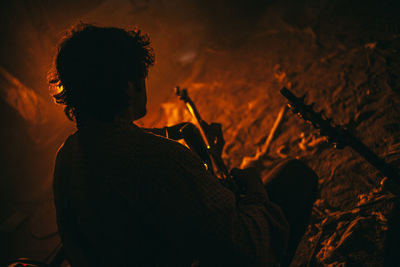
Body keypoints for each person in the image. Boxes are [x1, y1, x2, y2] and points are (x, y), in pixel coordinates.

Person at [50, 23, 317, 266]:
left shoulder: (66, 158)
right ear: (130, 85)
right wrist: (256, 191)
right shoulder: (159, 158)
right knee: (294, 178)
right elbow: (246, 245)